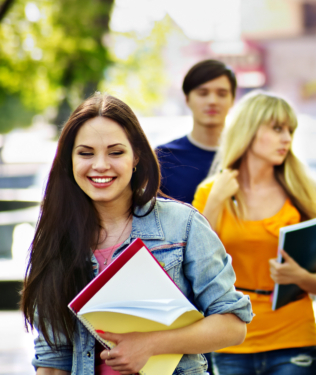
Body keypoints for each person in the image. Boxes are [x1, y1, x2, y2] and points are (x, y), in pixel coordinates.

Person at [21, 93, 252, 375]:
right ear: (69, 160)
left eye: (116, 152)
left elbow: (232, 324)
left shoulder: (183, 225)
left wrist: (151, 344)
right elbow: (52, 358)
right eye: (85, 153)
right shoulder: (56, 240)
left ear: (136, 157)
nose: (101, 165)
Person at [192, 92, 316, 375]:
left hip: (293, 338)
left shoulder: (302, 193)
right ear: (248, 129)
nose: (287, 139)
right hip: (230, 337)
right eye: (277, 128)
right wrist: (216, 202)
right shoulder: (211, 191)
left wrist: (299, 277)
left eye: (290, 131)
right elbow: (195, 264)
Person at [156, 59, 237, 203]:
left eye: (222, 94)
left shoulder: (245, 155)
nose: (212, 101)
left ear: (232, 100)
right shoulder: (163, 158)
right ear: (187, 99)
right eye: (203, 93)